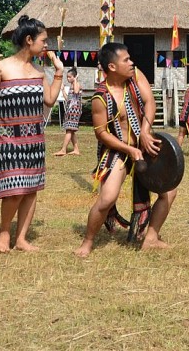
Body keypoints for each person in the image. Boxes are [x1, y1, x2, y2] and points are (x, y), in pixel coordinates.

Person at [74, 42, 174, 257]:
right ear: (111, 67)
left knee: (169, 190)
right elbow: (101, 134)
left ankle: (151, 237)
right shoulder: (100, 97)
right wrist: (129, 150)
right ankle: (87, 241)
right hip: (117, 150)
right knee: (107, 199)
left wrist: (145, 132)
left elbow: (149, 102)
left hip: (142, 142)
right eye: (126, 60)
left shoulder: (135, 77)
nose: (132, 63)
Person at [0, 16, 65, 253]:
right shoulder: (3, 66)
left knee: (31, 190)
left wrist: (59, 73)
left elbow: (48, 100)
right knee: (14, 191)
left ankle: (22, 238)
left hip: (34, 138)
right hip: (7, 138)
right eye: (43, 40)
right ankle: (4, 232)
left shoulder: (38, 70)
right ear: (29, 40)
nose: (47, 45)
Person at [55, 68, 83, 156]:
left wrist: (75, 80)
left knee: (69, 130)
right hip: (70, 110)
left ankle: (63, 150)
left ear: (74, 77)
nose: (68, 79)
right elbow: (68, 99)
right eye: (67, 77)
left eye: (70, 77)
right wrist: (63, 90)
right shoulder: (72, 85)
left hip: (74, 110)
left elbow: (76, 91)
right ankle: (76, 149)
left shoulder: (77, 84)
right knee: (72, 130)